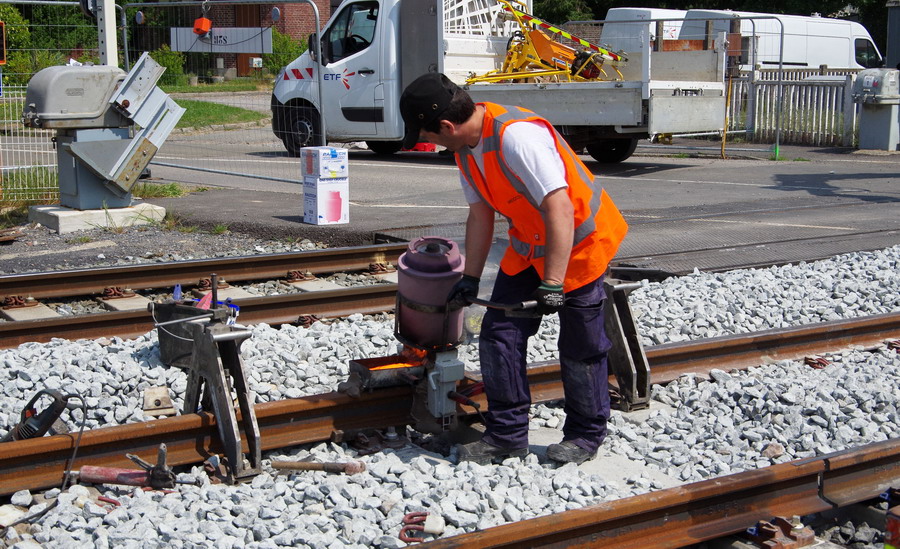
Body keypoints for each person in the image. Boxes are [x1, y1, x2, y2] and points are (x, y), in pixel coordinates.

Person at [399, 72, 628, 465]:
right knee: (499, 336)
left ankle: (585, 436)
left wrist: (553, 283)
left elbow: (559, 208)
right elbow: (480, 215)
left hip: (579, 246)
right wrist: (470, 277)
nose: (430, 143)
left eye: (428, 135)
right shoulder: (465, 150)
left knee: (581, 346)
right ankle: (506, 436)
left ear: (447, 126)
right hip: (529, 249)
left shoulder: (516, 137)